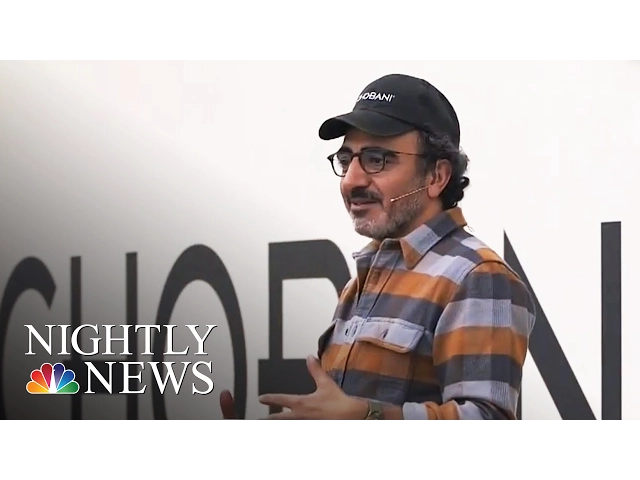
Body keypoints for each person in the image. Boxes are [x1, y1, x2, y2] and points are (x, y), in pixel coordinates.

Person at [220, 73, 536, 420]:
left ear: (436, 176)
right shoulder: (364, 278)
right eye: (346, 160)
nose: (351, 180)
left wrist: (366, 415)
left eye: (377, 159)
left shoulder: (478, 276)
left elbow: (488, 416)